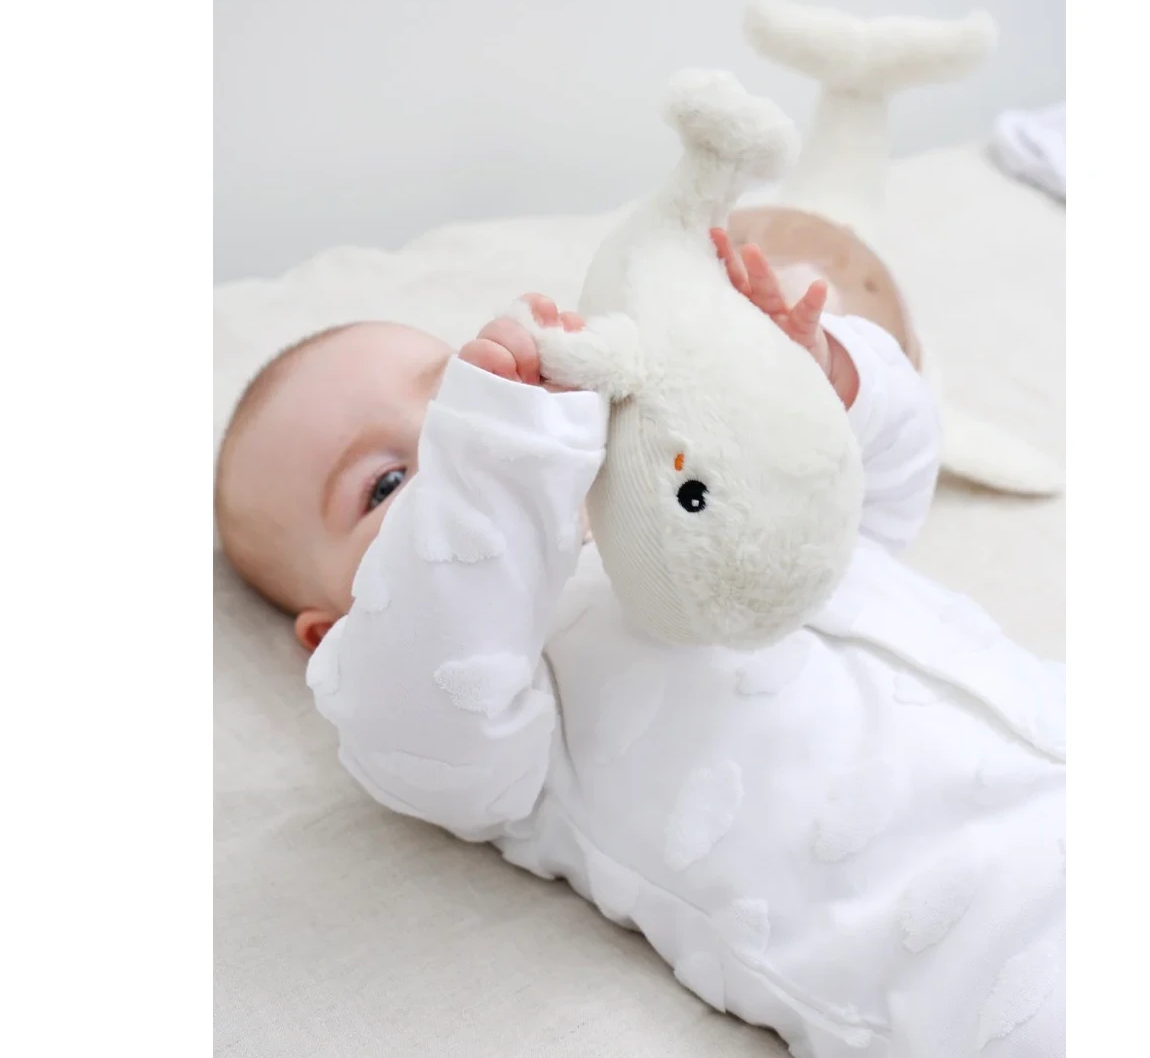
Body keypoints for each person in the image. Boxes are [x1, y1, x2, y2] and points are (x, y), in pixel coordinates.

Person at [215, 230, 1065, 1058]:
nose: (458, 440)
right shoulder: (489, 705)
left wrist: (808, 384)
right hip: (983, 953)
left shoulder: (681, 486)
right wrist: (497, 448)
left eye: (453, 397)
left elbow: (876, 494)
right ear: (332, 637)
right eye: (387, 483)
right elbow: (419, 682)